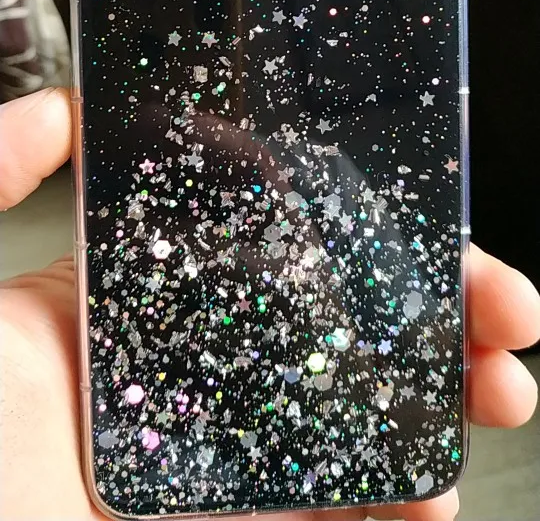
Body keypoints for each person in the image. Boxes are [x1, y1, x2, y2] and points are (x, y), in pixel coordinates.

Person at [1, 88, 539, 521]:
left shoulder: (324, 187)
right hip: (132, 437)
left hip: (316, 412)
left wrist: (336, 358)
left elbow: (409, 368)